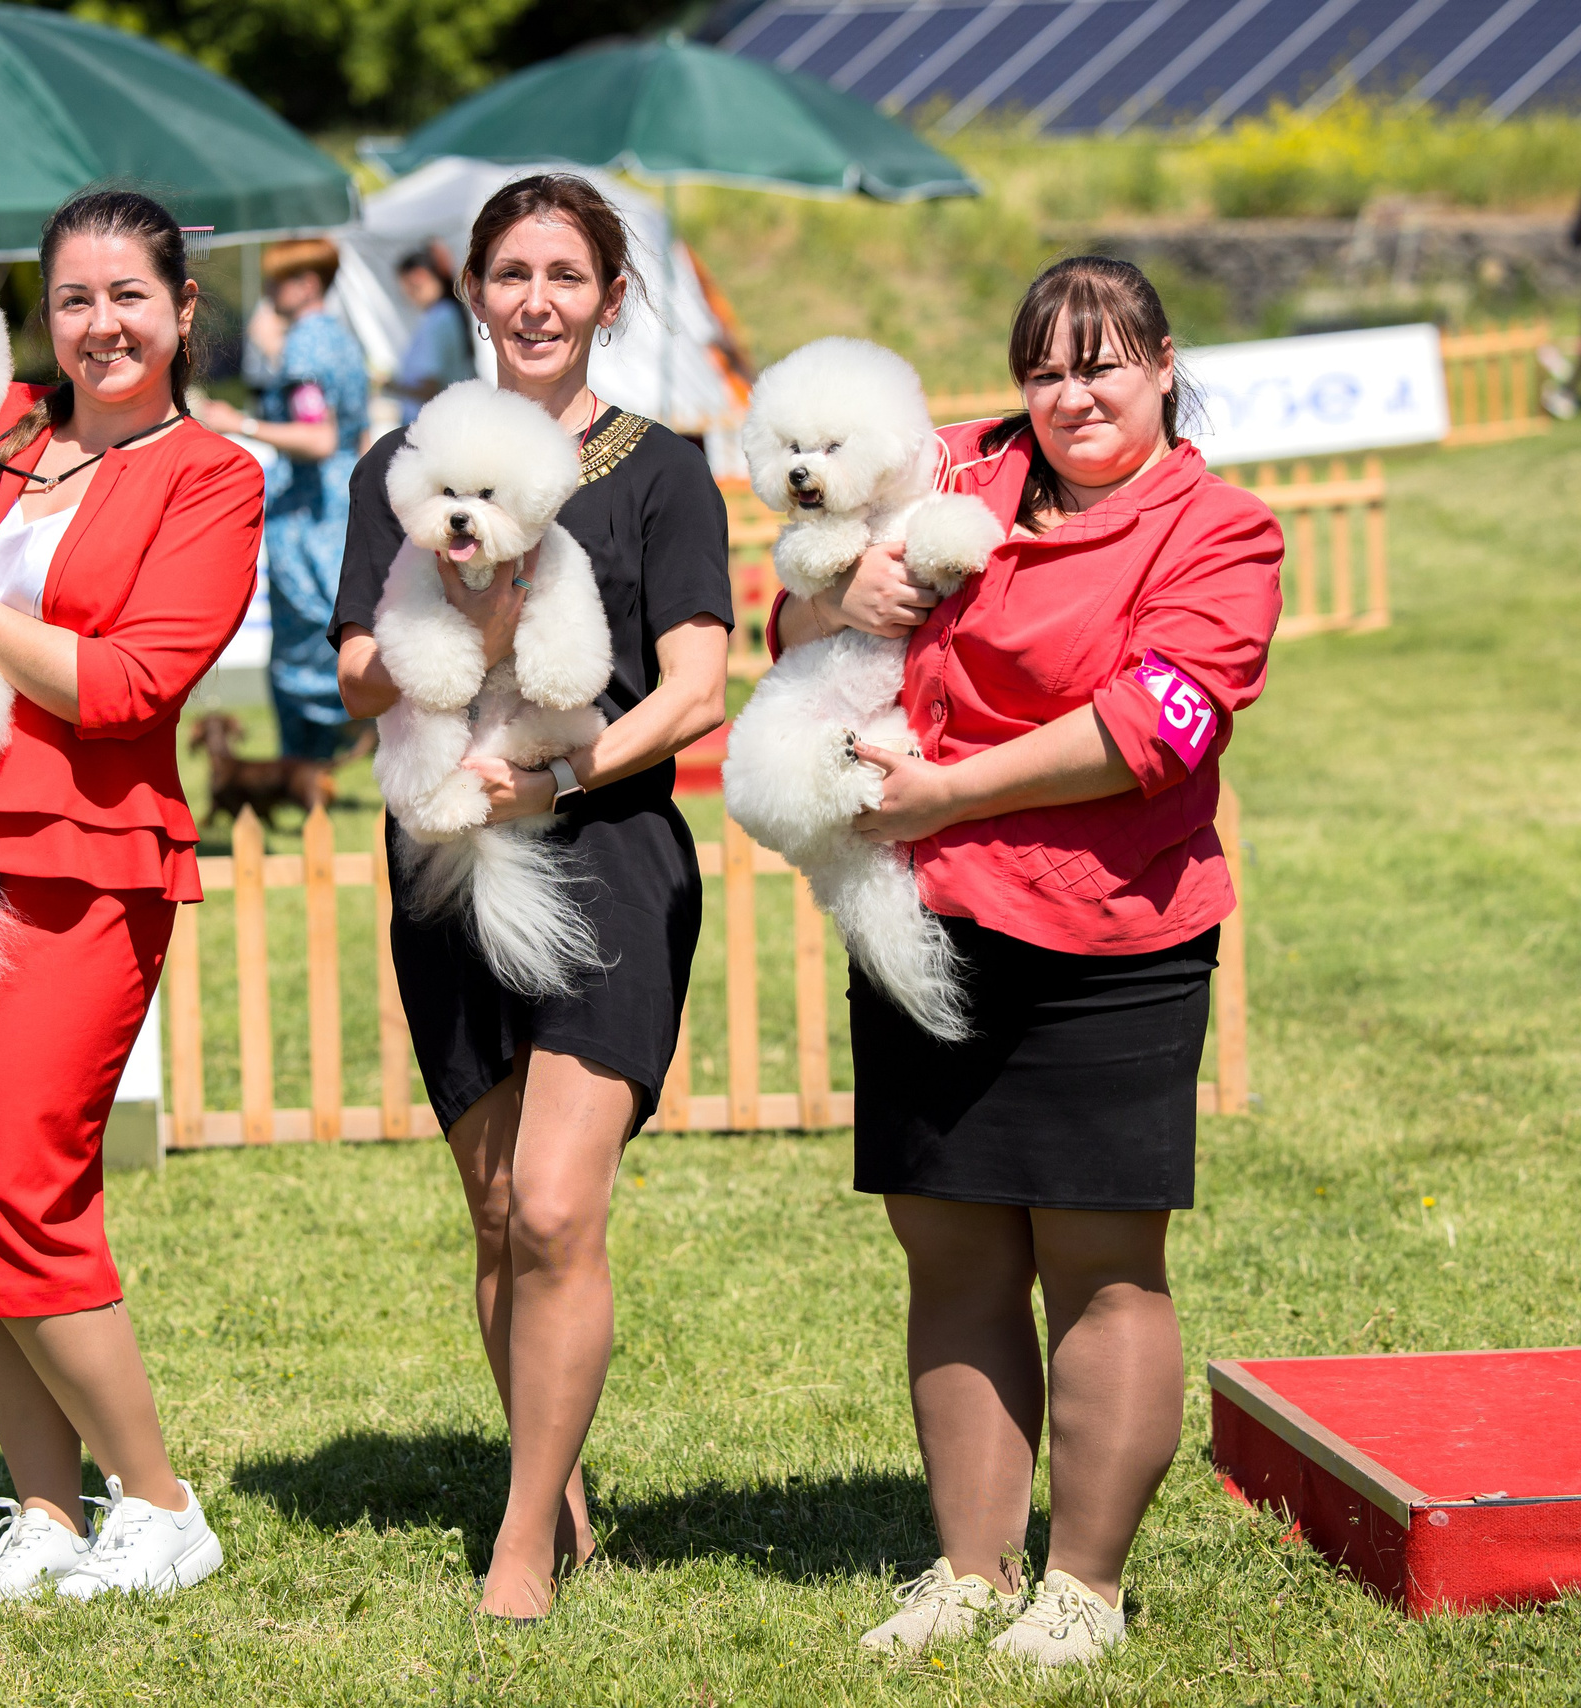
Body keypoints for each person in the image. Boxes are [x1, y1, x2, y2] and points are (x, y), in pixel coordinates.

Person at [770, 255, 1281, 1668]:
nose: (1071, 396)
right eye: (1044, 370)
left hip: (1113, 931)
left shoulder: (1222, 531)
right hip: (924, 921)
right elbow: (791, 611)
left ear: (1163, 366)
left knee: (1102, 1263)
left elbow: (1158, 724)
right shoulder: (950, 470)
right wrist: (842, 595)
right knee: (950, 1247)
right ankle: (968, 1568)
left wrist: (948, 790)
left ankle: (1084, 1587)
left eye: (1100, 365)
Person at [0, 190, 260, 1606]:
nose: (102, 324)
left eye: (130, 295)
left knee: (20, 1186)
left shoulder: (212, 477)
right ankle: (46, 1512)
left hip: (84, 861)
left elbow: (130, 686)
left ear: (183, 310)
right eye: (74, 298)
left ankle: (161, 1503)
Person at [329, 175, 733, 1622]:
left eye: (568, 275)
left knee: (559, 1207)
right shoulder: (406, 463)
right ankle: (550, 1492)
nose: (538, 300)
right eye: (512, 272)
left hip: (606, 846)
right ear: (475, 290)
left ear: (611, 299)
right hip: (446, 853)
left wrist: (560, 777)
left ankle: (516, 1545)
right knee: (498, 1211)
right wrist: (451, 622)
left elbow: (694, 686)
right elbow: (354, 672)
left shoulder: (663, 468)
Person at [193, 239, 367, 770]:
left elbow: (317, 437)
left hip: (309, 515)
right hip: (344, 503)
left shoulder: (305, 347)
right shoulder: (341, 338)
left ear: (307, 284)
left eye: (277, 281)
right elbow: (351, 435)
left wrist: (237, 422)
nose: (268, 293)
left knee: (307, 639)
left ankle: (309, 759)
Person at [389, 245, 475, 425]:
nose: (405, 294)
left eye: (404, 286)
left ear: (418, 277)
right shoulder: (443, 314)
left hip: (434, 425)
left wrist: (390, 386)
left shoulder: (440, 317)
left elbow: (429, 388)